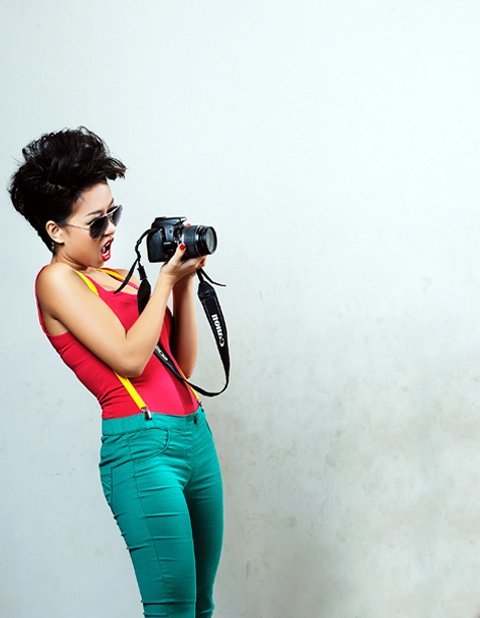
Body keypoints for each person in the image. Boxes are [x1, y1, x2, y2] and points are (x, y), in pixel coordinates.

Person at [8, 126, 224, 618]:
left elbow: (181, 367)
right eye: (96, 223)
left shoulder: (112, 276)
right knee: (172, 609)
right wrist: (163, 282)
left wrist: (183, 284)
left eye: (113, 214)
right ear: (56, 231)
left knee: (201, 605)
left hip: (195, 437)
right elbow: (129, 360)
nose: (110, 231)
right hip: (143, 450)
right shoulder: (56, 281)